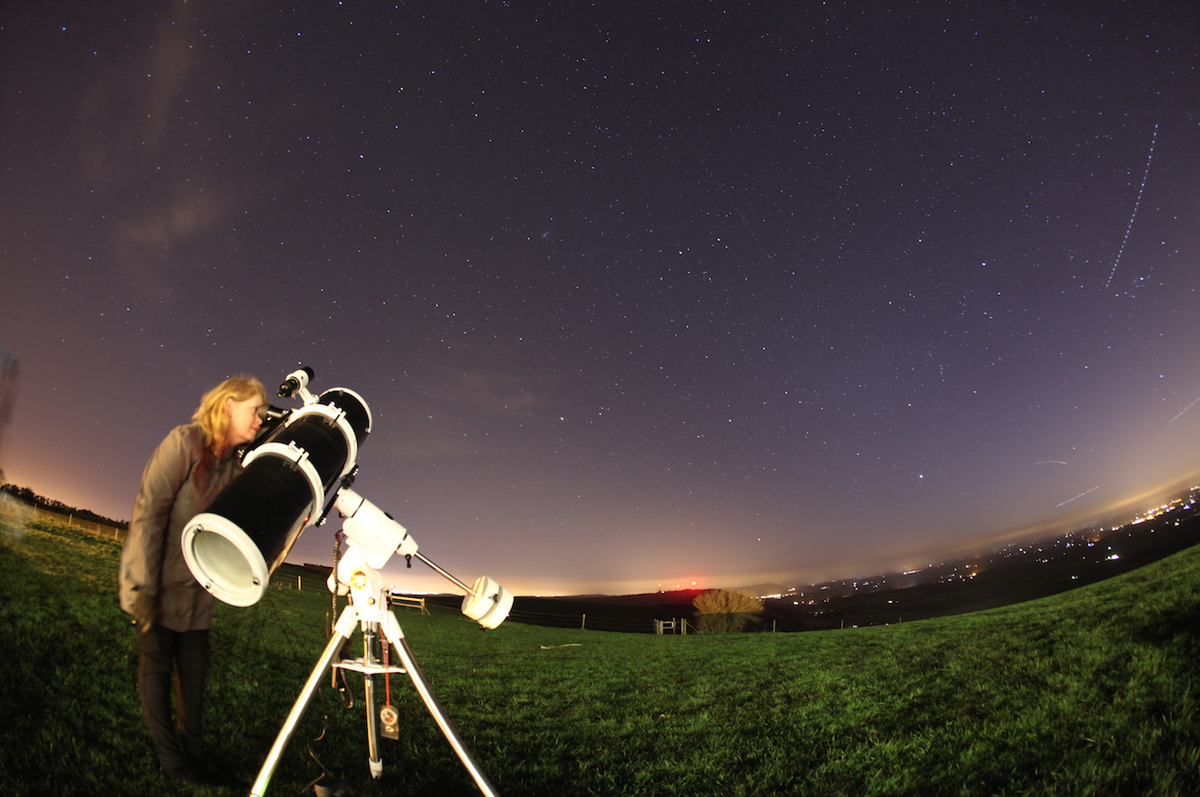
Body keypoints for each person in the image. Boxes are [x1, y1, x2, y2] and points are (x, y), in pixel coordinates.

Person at [118, 376, 267, 784]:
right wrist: (141, 588)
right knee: (156, 669)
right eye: (255, 410)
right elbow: (149, 513)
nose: (260, 419)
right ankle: (173, 762)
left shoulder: (234, 467)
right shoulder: (184, 443)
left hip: (199, 592)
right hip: (160, 583)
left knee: (195, 676)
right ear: (229, 405)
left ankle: (196, 753)